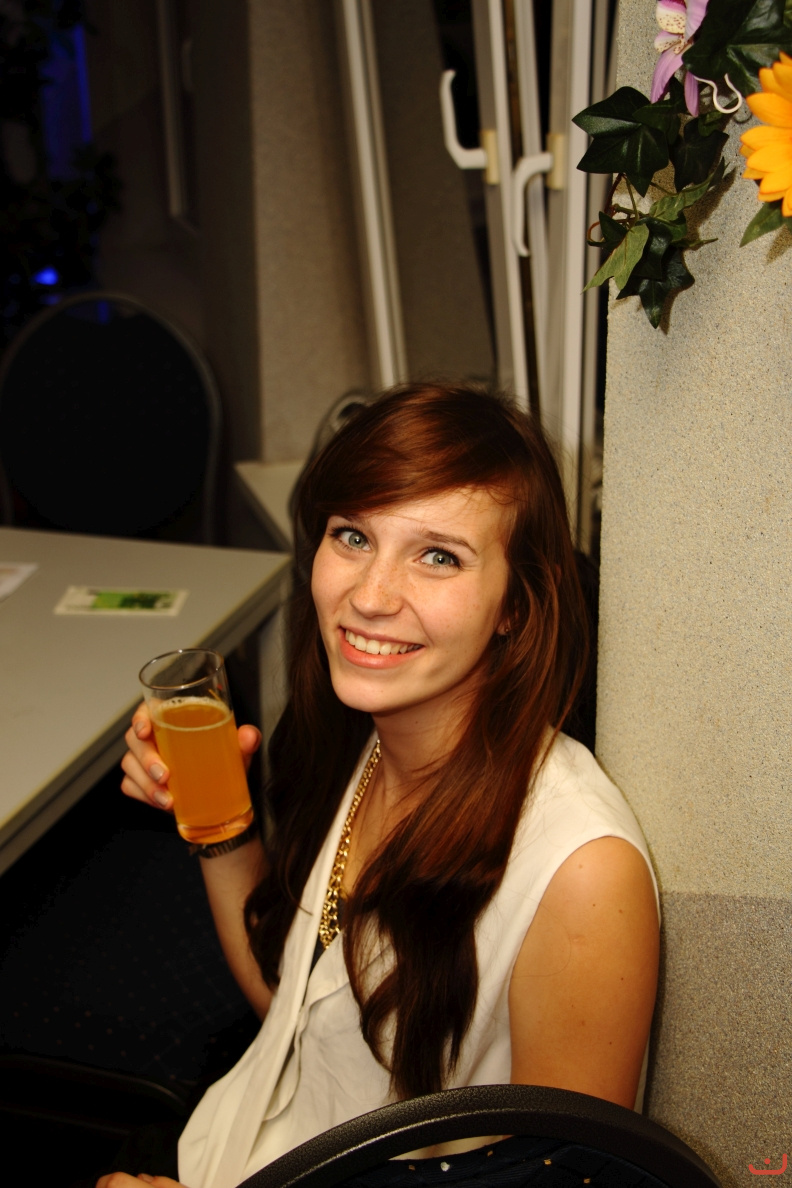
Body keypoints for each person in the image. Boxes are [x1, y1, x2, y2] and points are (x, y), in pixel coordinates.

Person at [105, 383, 659, 1188]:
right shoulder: (372, 734)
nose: (368, 596)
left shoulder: (582, 877)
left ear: (516, 604)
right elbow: (299, 1016)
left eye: (439, 556)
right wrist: (215, 819)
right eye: (353, 535)